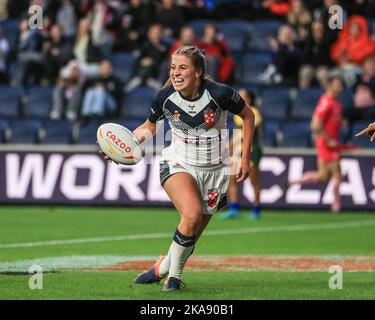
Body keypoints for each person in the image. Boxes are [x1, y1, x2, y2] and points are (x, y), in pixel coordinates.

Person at [99, 46, 255, 291]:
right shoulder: (165, 96)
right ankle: (174, 279)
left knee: (192, 232)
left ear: (198, 72)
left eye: (183, 67)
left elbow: (248, 116)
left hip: (215, 169)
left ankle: (160, 268)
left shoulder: (220, 94)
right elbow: (149, 127)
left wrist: (245, 158)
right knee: (191, 215)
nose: (176, 72)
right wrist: (125, 146)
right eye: (173, 67)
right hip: (178, 162)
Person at [286, 75, 345, 213]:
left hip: (330, 142)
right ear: (329, 86)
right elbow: (315, 125)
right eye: (338, 85)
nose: (340, 88)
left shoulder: (337, 103)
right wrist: (328, 139)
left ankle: (293, 182)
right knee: (337, 173)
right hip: (327, 144)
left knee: (322, 176)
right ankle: (336, 203)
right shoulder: (327, 102)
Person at [220, 89, 263, 221]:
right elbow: (238, 133)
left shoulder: (254, 112)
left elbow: (246, 133)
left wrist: (229, 145)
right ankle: (234, 208)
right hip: (238, 151)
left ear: (249, 99)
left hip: (251, 151)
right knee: (231, 178)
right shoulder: (237, 114)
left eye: (243, 96)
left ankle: (256, 209)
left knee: (253, 181)